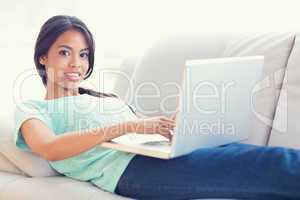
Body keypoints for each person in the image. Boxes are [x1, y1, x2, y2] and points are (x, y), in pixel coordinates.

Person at [14, 15, 300, 200]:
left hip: (158, 152)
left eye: (84, 54)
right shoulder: (33, 109)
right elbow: (50, 148)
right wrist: (128, 126)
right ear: (42, 58)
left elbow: (142, 130)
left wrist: (177, 124)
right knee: (271, 164)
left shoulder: (102, 98)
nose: (77, 63)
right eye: (65, 52)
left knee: (272, 155)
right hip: (129, 171)